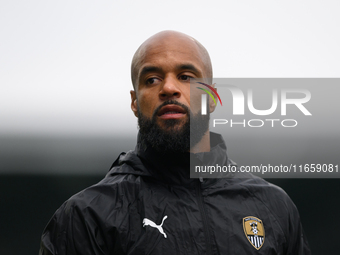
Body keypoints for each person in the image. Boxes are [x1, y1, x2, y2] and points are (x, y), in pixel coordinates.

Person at [40, 31, 311, 254]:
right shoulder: (87, 216)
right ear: (135, 102)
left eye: (186, 77)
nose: (169, 88)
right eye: (152, 79)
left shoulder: (274, 207)